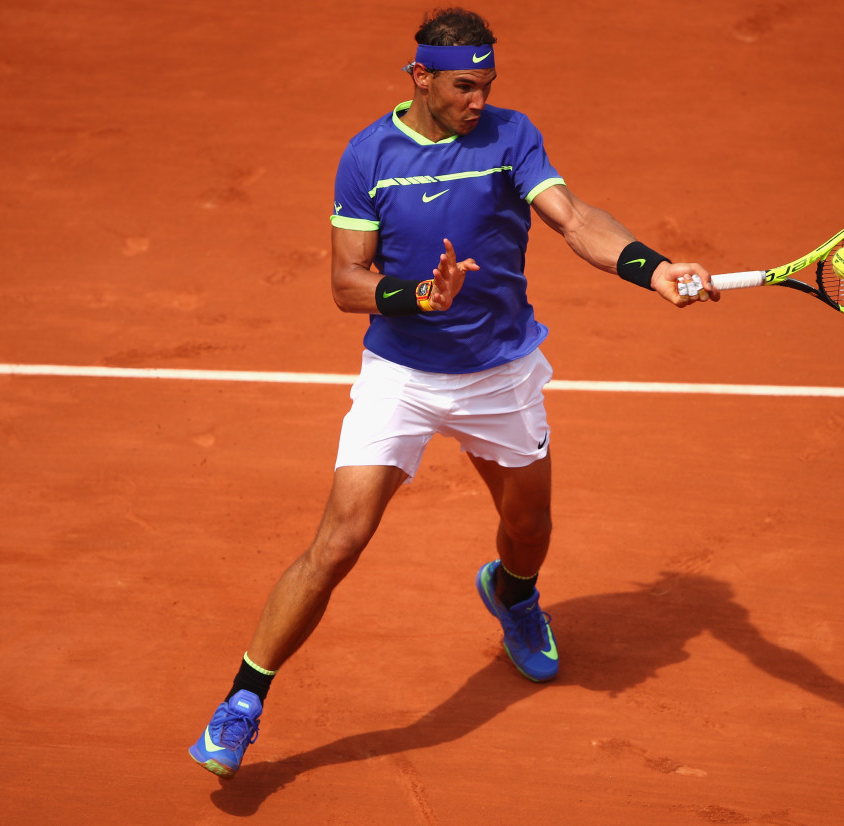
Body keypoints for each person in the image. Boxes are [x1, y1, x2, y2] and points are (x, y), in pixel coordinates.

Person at [189, 6, 719, 778]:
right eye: (464, 88)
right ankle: (242, 700)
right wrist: (417, 298)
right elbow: (346, 283)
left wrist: (653, 267)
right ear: (420, 78)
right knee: (338, 541)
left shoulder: (511, 136)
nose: (479, 100)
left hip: (500, 371)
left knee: (528, 528)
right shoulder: (368, 156)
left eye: (487, 85)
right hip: (402, 378)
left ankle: (513, 595)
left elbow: (575, 220)